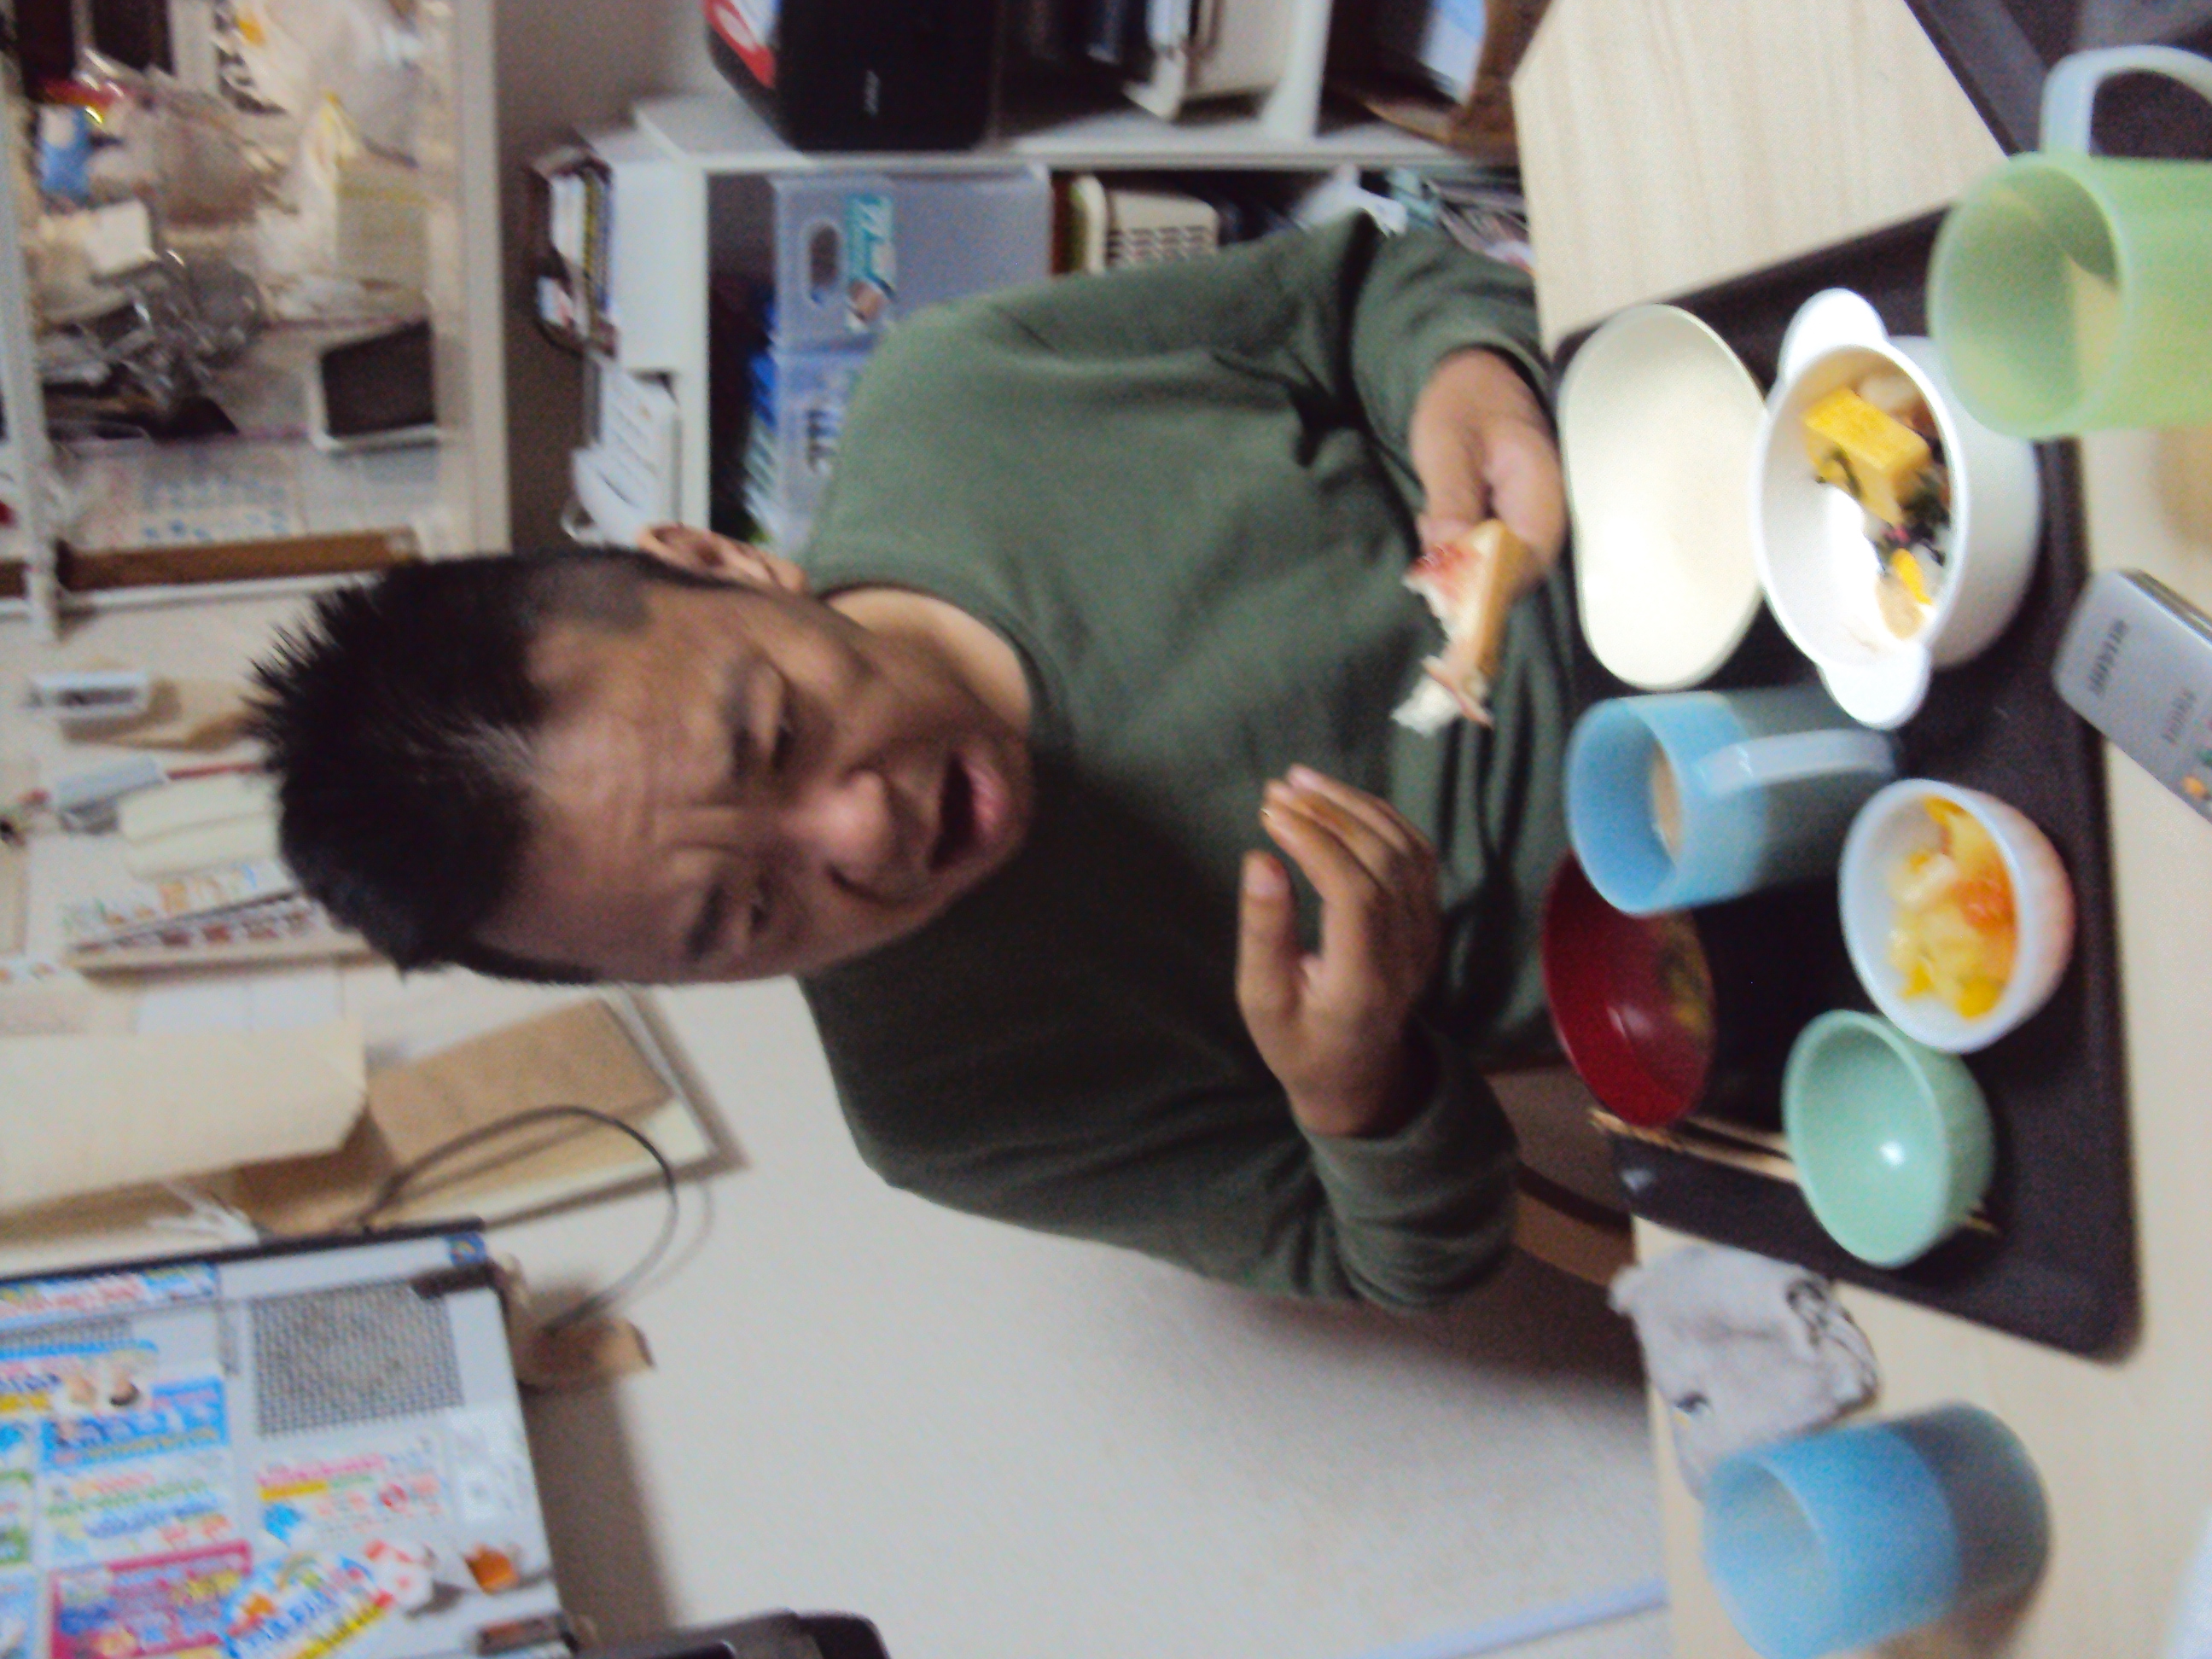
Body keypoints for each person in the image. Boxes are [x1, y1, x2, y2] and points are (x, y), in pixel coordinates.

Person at [253, 214, 1580, 1311]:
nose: (864, 835)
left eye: (774, 736)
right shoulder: (953, 1105)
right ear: (688, 980)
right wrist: (1353, 1086)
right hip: (1682, 924)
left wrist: (1460, 369)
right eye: (748, 912)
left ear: (719, 562)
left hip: (1650, 516)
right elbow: (1410, 1261)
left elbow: (1360, 291)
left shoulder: (970, 392)